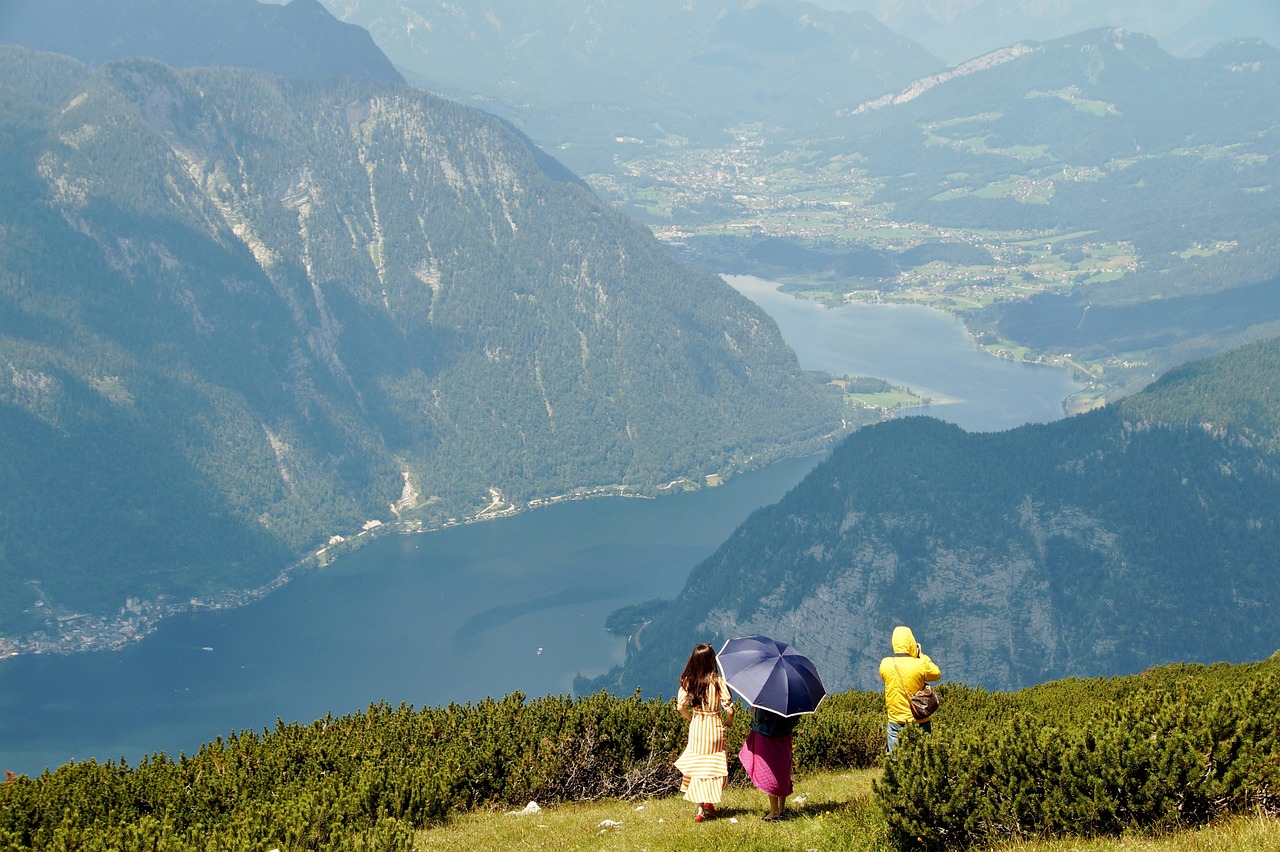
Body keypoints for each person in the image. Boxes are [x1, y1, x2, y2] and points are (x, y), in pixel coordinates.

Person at [673, 643, 735, 821]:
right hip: (714, 724)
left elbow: (680, 707)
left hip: (697, 726)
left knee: (698, 764)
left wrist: (692, 719)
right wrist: (728, 723)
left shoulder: (688, 681)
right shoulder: (718, 681)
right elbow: (729, 709)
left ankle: (700, 810)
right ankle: (708, 802)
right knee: (712, 765)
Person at [878, 625, 941, 752]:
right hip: (919, 719)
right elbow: (936, 673)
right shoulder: (920, 664)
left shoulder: (885, 664)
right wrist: (920, 655)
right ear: (911, 642)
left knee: (895, 760)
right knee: (922, 758)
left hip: (895, 720)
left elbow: (885, 678)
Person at [738, 705, 799, 821]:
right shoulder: (790, 696)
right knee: (782, 769)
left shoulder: (767, 695)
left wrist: (755, 709)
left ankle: (774, 812)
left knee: (769, 770)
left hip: (766, 734)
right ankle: (781, 809)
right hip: (785, 733)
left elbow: (759, 716)